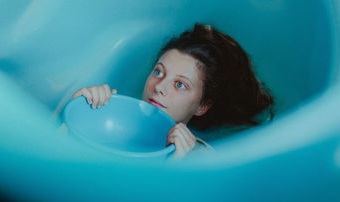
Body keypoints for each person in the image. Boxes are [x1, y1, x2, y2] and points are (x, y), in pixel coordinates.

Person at [70, 23, 274, 158]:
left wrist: (176, 169)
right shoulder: (112, 119)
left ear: (202, 106)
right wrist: (80, 112)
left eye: (180, 85)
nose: (159, 87)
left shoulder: (199, 160)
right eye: (159, 72)